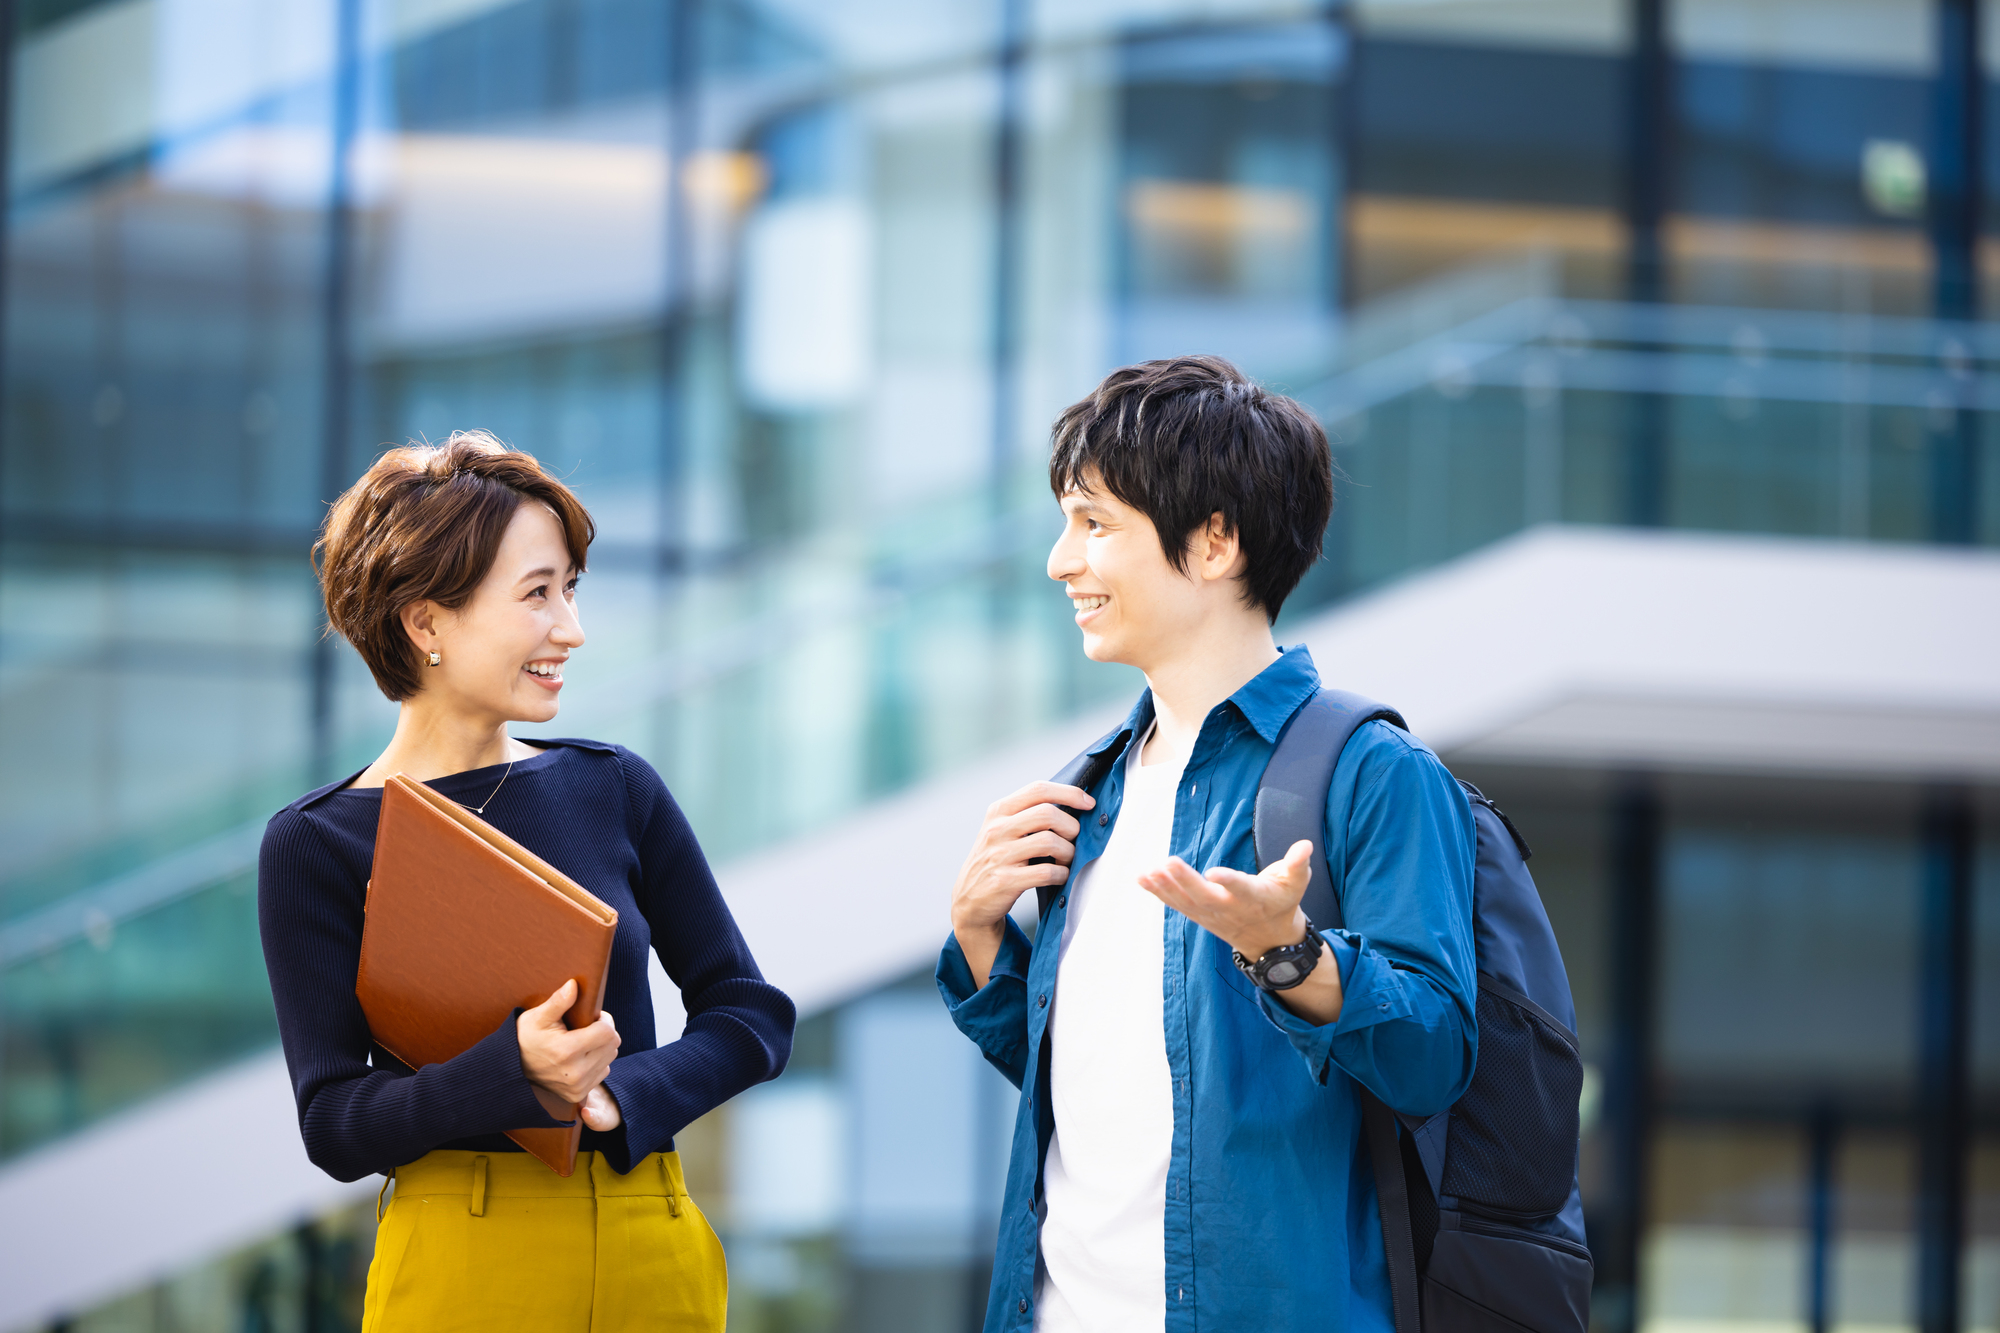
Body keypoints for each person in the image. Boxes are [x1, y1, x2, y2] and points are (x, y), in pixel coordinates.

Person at [939, 356, 1479, 1332]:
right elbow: (1111, 1093)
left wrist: (1292, 955)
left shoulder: (1374, 773)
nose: (1061, 560)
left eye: (1093, 524)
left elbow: (1434, 1057)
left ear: (1214, 540)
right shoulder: (1087, 792)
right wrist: (980, 930)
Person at [258, 432, 794, 1332]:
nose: (570, 628)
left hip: (648, 1232)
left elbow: (751, 1012)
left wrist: (623, 1094)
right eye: (537, 594)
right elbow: (335, 1122)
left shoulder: (614, 785)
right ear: (425, 622)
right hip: (464, 1253)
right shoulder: (319, 843)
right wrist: (509, 1071)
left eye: (570, 590)